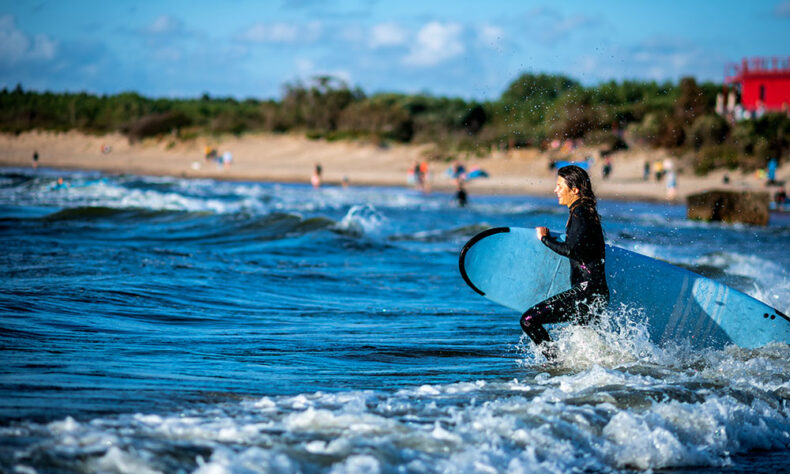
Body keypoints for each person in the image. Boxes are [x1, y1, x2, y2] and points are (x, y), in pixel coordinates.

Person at [520, 165, 609, 358]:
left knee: (528, 320)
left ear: (574, 189)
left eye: (560, 186)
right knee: (588, 346)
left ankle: (555, 362)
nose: (555, 190)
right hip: (595, 291)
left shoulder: (580, 213)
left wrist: (545, 239)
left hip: (586, 290)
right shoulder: (584, 212)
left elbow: (571, 250)